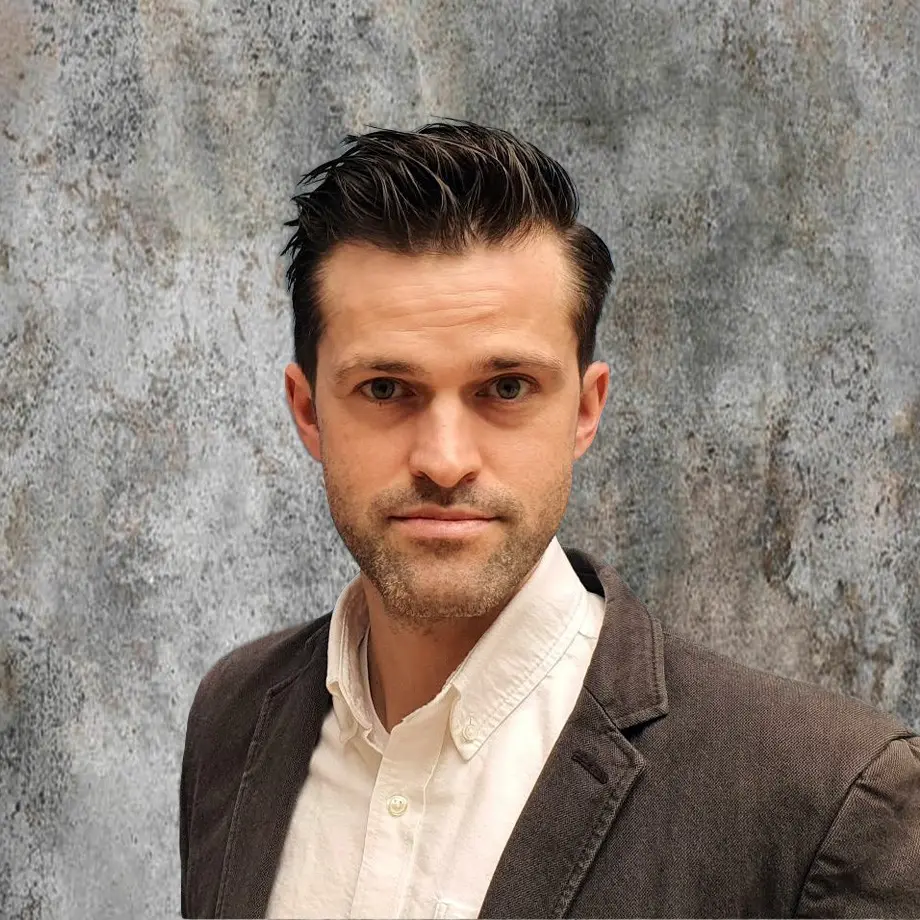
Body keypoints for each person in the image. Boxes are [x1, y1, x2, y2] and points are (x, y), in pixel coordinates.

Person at [179, 119, 920, 919]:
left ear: (585, 409)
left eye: (506, 389)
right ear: (308, 412)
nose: (445, 460)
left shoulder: (829, 800)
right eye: (386, 389)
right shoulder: (236, 712)